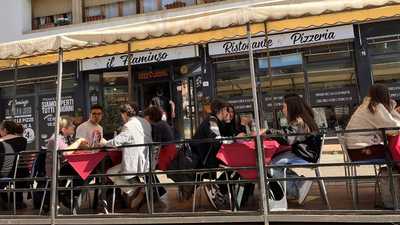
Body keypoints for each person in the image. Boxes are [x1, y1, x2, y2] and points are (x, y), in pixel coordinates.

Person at [269, 94, 321, 205]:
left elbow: (287, 138)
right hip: (307, 152)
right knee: (276, 163)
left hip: (305, 154)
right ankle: (297, 184)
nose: (282, 110)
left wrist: (269, 132)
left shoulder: (299, 122)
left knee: (271, 165)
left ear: (291, 108)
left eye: (284, 107)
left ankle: (297, 188)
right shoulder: (305, 119)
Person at [102, 102, 152, 210]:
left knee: (110, 172)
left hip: (135, 163)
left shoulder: (128, 126)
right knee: (120, 173)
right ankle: (139, 189)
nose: (122, 117)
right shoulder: (145, 122)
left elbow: (116, 142)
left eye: (121, 115)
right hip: (147, 161)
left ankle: (133, 190)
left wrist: (104, 143)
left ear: (125, 114)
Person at [345, 84, 400, 161]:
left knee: (392, 151)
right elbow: (394, 129)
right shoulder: (376, 107)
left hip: (354, 149)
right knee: (394, 153)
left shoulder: (366, 105)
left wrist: (390, 109)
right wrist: (392, 110)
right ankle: (393, 171)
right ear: (386, 96)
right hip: (361, 150)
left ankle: (392, 171)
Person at [46, 116, 89, 209]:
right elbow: (65, 153)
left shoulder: (65, 138)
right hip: (56, 169)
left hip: (63, 167)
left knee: (87, 170)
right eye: (71, 125)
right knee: (85, 170)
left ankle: (68, 195)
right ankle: (68, 195)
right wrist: (79, 141)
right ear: (64, 129)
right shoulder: (56, 139)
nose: (74, 126)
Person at [0, 121, 28, 209]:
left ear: (4, 130)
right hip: (22, 171)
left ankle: (4, 200)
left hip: (6, 170)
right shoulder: (23, 140)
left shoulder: (1, 142)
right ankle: (17, 201)